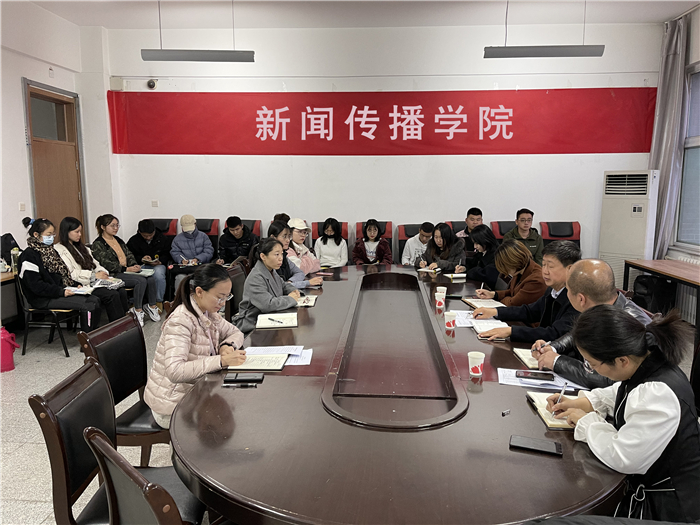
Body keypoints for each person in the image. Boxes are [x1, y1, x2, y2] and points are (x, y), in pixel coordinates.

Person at [547, 306, 700, 522]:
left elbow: (624, 457)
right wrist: (580, 402)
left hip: (669, 509)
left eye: (592, 365)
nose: (592, 370)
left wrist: (586, 422)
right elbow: (618, 393)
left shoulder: (658, 394)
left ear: (622, 360)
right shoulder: (645, 361)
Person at [144, 264, 246, 429]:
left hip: (197, 391)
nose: (223, 303)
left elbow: (236, 333)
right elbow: (175, 371)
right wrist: (221, 361)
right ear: (199, 292)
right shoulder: (181, 320)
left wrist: (227, 345)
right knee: (229, 420)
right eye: (220, 297)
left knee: (239, 405)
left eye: (227, 297)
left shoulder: (207, 311)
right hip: (172, 404)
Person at [531, 259, 652, 389]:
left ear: (581, 299)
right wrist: (553, 347)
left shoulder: (629, 325)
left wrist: (556, 361)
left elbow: (611, 380)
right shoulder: (601, 307)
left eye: (567, 290)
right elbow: (578, 334)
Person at [473, 241, 581, 343]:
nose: (545, 271)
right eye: (544, 265)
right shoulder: (552, 290)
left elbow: (555, 334)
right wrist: (495, 312)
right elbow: (529, 311)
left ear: (570, 269)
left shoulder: (577, 299)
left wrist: (511, 331)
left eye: (551, 266)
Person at [18, 217, 101, 332]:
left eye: (53, 234)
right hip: (42, 298)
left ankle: (95, 334)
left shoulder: (50, 251)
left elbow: (60, 276)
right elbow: (36, 286)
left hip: (57, 291)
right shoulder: (29, 255)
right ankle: (87, 340)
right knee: (88, 305)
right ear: (36, 235)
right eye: (49, 234)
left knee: (95, 300)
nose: (52, 237)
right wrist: (61, 292)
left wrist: (75, 284)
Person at [55, 217, 128, 323]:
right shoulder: (59, 249)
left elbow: (95, 264)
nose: (80, 235)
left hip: (94, 282)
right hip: (81, 285)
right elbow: (71, 274)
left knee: (121, 291)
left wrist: (102, 272)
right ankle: (117, 326)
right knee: (112, 295)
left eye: (80, 231)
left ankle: (125, 323)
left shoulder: (82, 247)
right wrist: (93, 276)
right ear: (66, 232)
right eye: (76, 232)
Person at [92, 214, 160, 326]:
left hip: (127, 270)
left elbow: (129, 254)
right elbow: (106, 263)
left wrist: (134, 265)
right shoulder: (98, 244)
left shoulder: (118, 240)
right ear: (103, 227)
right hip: (114, 274)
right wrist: (126, 268)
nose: (116, 228)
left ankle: (151, 306)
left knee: (150, 279)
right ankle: (137, 310)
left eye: (117, 225)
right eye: (112, 226)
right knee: (140, 281)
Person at [234, 238, 301, 333]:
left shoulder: (271, 270)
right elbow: (268, 304)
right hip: (253, 323)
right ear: (263, 256)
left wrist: (293, 290)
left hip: (268, 318)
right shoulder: (256, 277)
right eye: (276, 254)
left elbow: (283, 285)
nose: (281, 258)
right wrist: (291, 299)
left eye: (281, 254)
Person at [474, 239, 546, 307]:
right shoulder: (520, 269)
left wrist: (500, 300)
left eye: (506, 267)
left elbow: (513, 303)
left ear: (514, 261)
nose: (506, 272)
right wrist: (493, 294)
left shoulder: (536, 280)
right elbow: (513, 292)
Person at [261, 221, 323, 289]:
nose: (288, 240)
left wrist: (290, 282)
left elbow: (300, 273)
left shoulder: (284, 255)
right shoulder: (269, 258)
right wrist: (307, 283)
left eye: (289, 236)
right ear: (273, 237)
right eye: (284, 236)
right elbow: (278, 287)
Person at [126, 219, 170, 309]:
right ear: (139, 232)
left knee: (158, 274)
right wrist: (141, 259)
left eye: (151, 235)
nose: (148, 238)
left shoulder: (162, 239)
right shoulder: (133, 240)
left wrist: (160, 261)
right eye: (145, 236)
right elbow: (129, 255)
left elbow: (168, 254)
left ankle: (158, 301)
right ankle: (135, 301)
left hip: (158, 265)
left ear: (154, 231)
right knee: (135, 275)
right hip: (141, 264)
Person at [170, 214, 214, 291]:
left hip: (201, 267)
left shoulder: (203, 236)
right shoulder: (177, 239)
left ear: (195, 224)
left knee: (198, 280)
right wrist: (181, 260)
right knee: (180, 278)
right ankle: (179, 298)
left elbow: (209, 251)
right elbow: (175, 252)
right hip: (185, 268)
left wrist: (198, 259)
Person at [463, 224, 500, 290]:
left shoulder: (497, 255)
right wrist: (464, 268)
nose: (475, 247)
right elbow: (473, 263)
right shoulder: (482, 252)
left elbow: (487, 276)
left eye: (477, 243)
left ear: (485, 240)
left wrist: (471, 271)